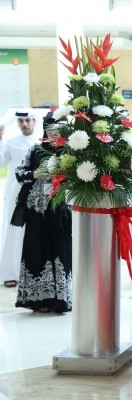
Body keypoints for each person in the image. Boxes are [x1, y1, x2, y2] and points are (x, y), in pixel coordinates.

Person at [14, 114, 72, 313]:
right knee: (37, 248)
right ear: (45, 130)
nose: (54, 133)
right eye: (50, 129)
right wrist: (34, 174)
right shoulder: (35, 149)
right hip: (37, 211)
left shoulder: (71, 152)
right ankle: (40, 300)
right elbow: (19, 173)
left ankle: (62, 299)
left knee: (60, 248)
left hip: (61, 209)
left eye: (59, 129)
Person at [0, 111, 39, 288]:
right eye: (21, 121)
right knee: (12, 230)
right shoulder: (10, 142)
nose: (25, 124)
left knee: (33, 232)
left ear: (34, 122)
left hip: (36, 193)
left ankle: (31, 273)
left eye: (28, 120)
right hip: (14, 193)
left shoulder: (40, 142)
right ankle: (10, 273)